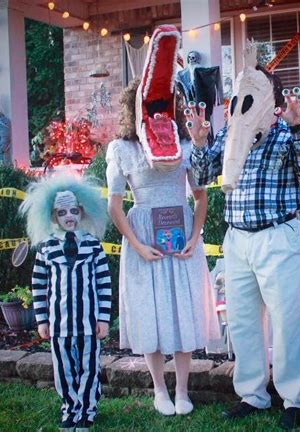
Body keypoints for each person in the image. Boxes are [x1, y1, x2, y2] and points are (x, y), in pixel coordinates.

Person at [187, 58, 300, 429]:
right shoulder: (233, 134)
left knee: (287, 321)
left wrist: (298, 128)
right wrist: (200, 143)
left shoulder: (286, 134)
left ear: (272, 103)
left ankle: (295, 399)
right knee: (243, 322)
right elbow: (201, 175)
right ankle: (253, 394)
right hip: (238, 240)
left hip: (277, 236)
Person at [106, 78, 218, 417]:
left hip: (180, 236)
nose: (157, 110)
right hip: (143, 237)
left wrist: (195, 237)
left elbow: (201, 197)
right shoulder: (122, 148)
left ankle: (183, 390)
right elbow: (114, 206)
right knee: (149, 310)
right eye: (150, 104)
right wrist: (138, 246)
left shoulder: (186, 145)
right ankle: (159, 389)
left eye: (164, 103)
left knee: (183, 308)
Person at [19, 175, 112, 432]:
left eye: (73, 210)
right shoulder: (46, 249)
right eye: (62, 212)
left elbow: (104, 285)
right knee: (64, 370)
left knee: (88, 368)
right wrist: (42, 320)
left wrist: (103, 318)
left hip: (88, 324)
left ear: (82, 212)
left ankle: (87, 409)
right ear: (52, 216)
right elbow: (39, 287)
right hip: (59, 326)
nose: (69, 216)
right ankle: (70, 409)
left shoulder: (93, 246)